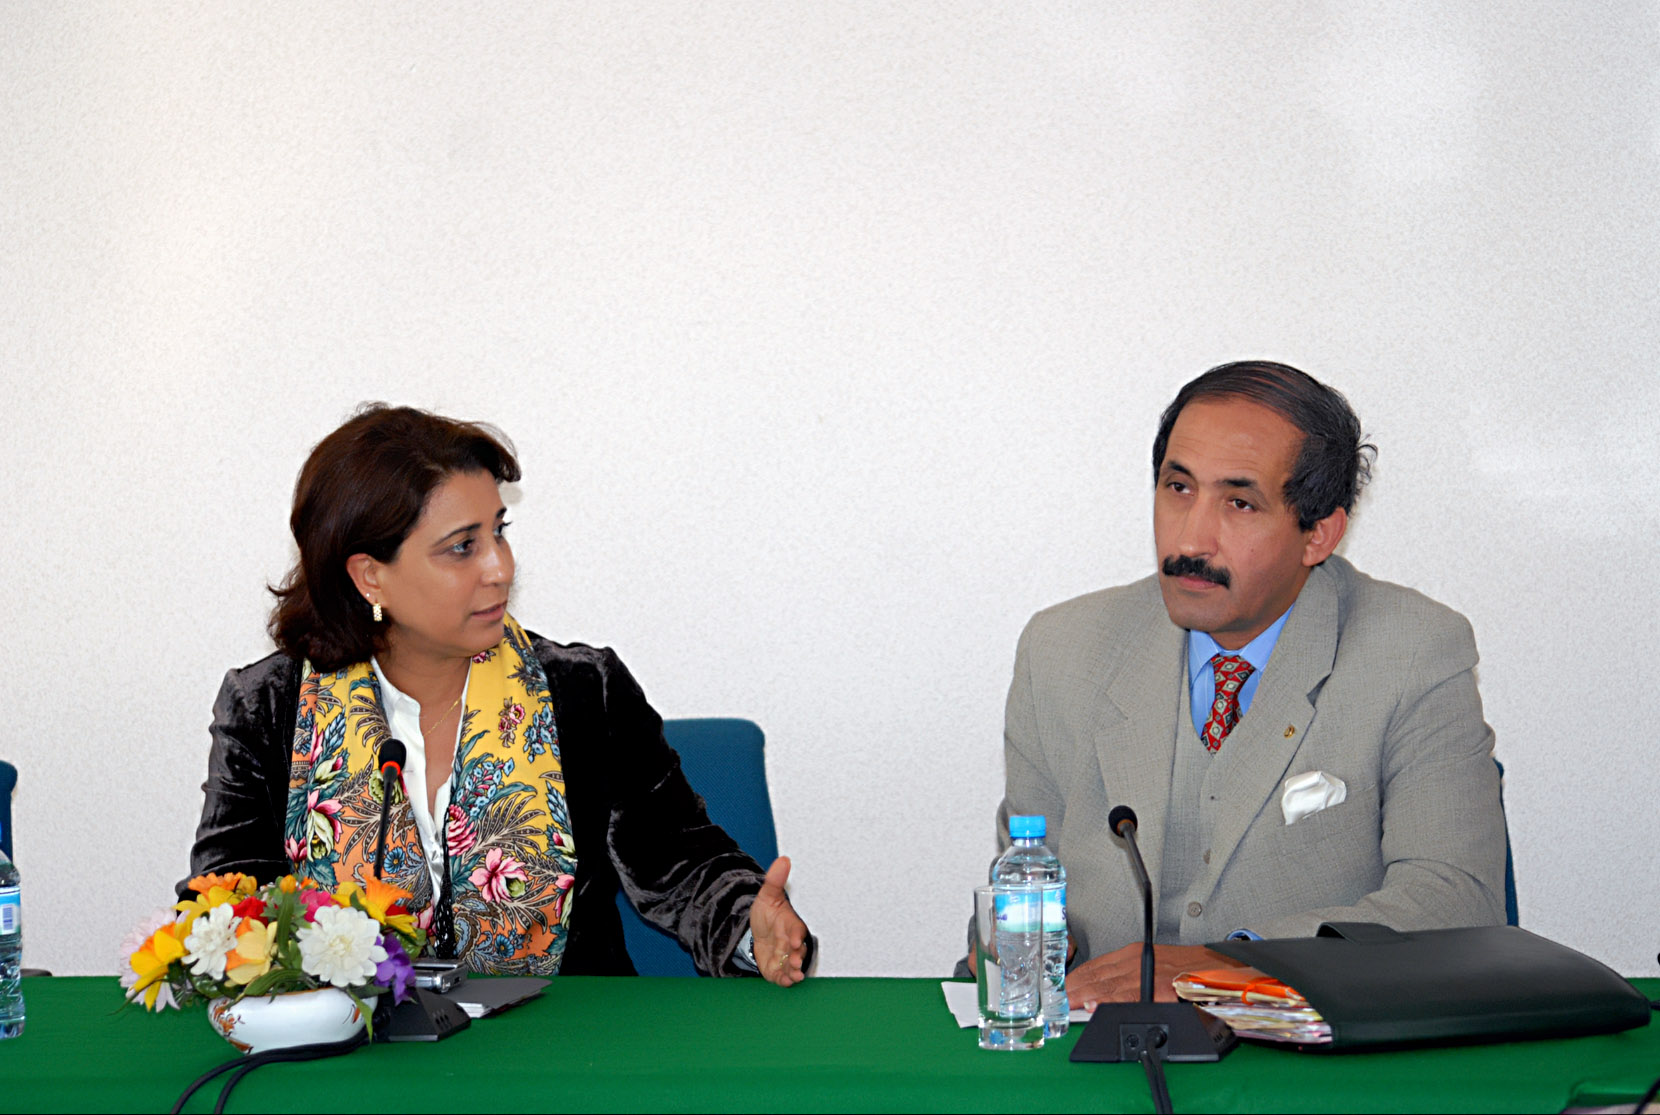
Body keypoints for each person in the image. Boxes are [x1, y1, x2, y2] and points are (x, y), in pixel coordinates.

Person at [184, 404, 811, 984]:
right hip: (355, 1051)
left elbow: (681, 864)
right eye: (463, 547)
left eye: (498, 533)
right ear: (370, 576)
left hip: (564, 1048)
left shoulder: (583, 690)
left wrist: (747, 927)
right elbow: (228, 906)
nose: (500, 568)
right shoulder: (268, 707)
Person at [997, 361, 1506, 1008]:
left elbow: (1457, 902)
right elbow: (1022, 883)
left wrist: (1231, 966)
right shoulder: (1062, 649)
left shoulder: (1412, 652)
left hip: (1306, 1048)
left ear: (1318, 534)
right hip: (1098, 1045)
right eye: (1178, 488)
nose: (1191, 537)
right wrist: (1021, 939)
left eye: (1239, 503)